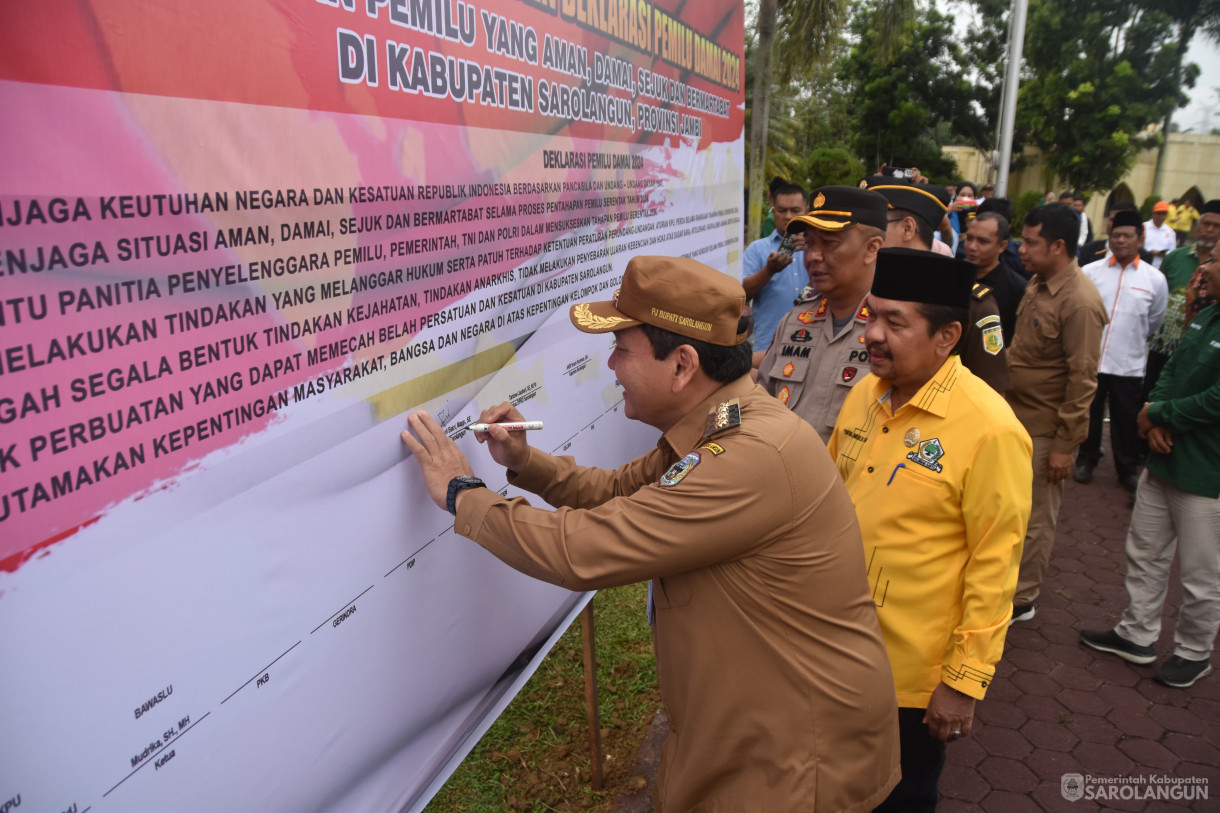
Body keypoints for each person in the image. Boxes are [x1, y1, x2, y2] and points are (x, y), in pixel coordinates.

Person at [401, 255, 901, 811]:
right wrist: (525, 460)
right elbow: (620, 490)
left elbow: (582, 549)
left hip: (792, 761)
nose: (611, 364)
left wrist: (460, 492)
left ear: (682, 365)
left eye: (622, 348)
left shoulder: (750, 456)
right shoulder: (721, 425)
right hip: (743, 728)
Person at [828, 248, 1032, 812]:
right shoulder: (865, 394)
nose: (872, 333)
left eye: (895, 322)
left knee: (900, 797)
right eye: (872, 315)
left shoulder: (990, 431)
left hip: (908, 678)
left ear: (947, 337)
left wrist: (962, 682)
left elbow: (996, 564)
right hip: (835, 645)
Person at [1079, 246, 1220, 689]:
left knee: (1200, 573)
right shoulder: (1206, 316)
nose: (1205, 268)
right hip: (1165, 459)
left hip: (1205, 472)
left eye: (1216, 261)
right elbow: (1171, 366)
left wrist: (1162, 415)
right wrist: (1154, 411)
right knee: (1145, 551)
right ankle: (1136, 634)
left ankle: (1194, 653)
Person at [1007, 203, 1109, 623]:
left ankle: (1021, 599)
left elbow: (1083, 380)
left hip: (1046, 430)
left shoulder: (1081, 302)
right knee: (1010, 510)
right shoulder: (1038, 282)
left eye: (1031, 242)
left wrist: (1066, 446)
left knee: (1035, 518)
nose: (1022, 249)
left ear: (1059, 246)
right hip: (1016, 418)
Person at [757, 186, 888, 442]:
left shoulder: (894, 330)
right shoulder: (795, 320)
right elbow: (761, 399)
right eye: (809, 243)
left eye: (829, 243)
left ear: (872, 249)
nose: (813, 256)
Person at [861, 175, 1011, 394]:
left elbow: (992, 392)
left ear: (908, 228)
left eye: (876, 225)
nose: (866, 237)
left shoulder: (971, 302)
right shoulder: (868, 288)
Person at [1075, 210, 1168, 491]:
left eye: (1128, 235)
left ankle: (1126, 468)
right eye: (1116, 235)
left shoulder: (1155, 279)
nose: (1121, 240)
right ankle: (1086, 459)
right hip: (1091, 360)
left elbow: (1155, 320)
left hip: (1129, 362)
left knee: (1125, 418)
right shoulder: (1091, 272)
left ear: (1140, 238)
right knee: (1089, 414)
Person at [1145, 200, 1220, 400]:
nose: (1210, 230)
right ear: (1197, 226)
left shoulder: (1216, 266)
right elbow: (1158, 296)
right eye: (1206, 224)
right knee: (1151, 393)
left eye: (1217, 226)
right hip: (1161, 345)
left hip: (1196, 351)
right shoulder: (1175, 258)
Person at [741, 180, 808, 356]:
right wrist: (769, 271)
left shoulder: (819, 249)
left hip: (811, 344)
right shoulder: (757, 249)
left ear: (806, 211)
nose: (788, 216)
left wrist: (814, 250)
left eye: (795, 210)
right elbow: (740, 294)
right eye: (781, 210)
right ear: (773, 211)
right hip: (767, 348)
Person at [963, 211, 1027, 343]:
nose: (972, 247)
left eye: (983, 241)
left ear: (1002, 246)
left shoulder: (1016, 288)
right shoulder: (955, 276)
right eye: (969, 238)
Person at [1079, 201, 1154, 267]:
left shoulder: (1144, 257)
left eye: (1123, 220)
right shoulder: (1089, 250)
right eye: (1113, 220)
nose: (1117, 224)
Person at [1144, 201, 1176, 268]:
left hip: (1160, 266)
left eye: (1164, 214)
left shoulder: (1170, 232)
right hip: (1143, 264)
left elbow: (1172, 251)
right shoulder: (1143, 227)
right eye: (1158, 213)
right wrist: (1149, 252)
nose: (1161, 216)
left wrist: (1163, 254)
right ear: (1153, 214)